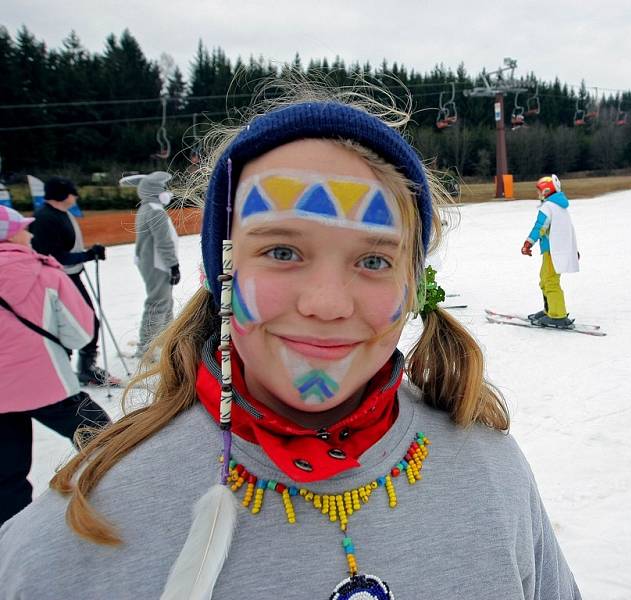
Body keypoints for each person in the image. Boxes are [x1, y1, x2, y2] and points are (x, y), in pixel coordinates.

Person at [0, 89, 582, 599]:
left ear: (412, 286)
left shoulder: (491, 472)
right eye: (282, 252)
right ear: (221, 269)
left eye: (374, 260)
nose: (326, 303)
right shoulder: (80, 529)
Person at [0, 206, 111, 527]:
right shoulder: (44, 273)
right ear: (9, 235)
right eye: (23, 228)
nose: (30, 233)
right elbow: (80, 334)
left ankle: (12, 539)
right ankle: (123, 498)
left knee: (6, 478)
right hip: (49, 384)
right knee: (108, 442)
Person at [29, 177, 119, 386]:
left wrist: (87, 254)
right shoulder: (45, 219)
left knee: (87, 319)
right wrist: (88, 255)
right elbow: (53, 256)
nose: (75, 196)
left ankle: (84, 366)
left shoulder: (59, 214)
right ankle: (70, 371)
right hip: (57, 280)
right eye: (72, 192)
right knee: (74, 322)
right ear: (62, 194)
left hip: (69, 276)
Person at [130, 171, 180, 358]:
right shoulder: (155, 212)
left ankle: (167, 340)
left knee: (165, 303)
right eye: (163, 189)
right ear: (156, 192)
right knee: (158, 304)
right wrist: (173, 265)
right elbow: (163, 242)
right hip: (158, 264)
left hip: (150, 262)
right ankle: (146, 348)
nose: (167, 193)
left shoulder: (146, 208)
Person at [521, 174, 580, 329]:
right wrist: (573, 249)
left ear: (547, 191)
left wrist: (528, 243)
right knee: (545, 278)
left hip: (553, 251)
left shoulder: (548, 207)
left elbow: (540, 226)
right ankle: (550, 309)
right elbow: (569, 230)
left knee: (550, 281)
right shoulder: (560, 207)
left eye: (540, 191)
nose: (538, 194)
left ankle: (558, 315)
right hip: (555, 250)